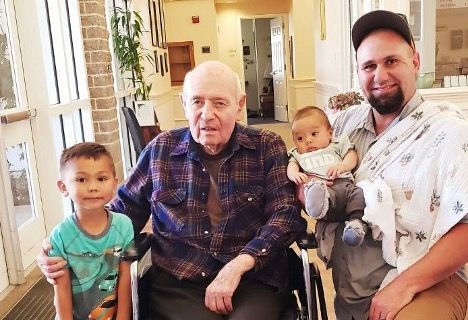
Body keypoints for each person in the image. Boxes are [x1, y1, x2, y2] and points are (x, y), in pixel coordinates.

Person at [38, 61, 306, 320]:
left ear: (240, 105)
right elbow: (121, 213)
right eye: (197, 101)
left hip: (251, 278)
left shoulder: (265, 146)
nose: (207, 113)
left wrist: (240, 264)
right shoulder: (161, 149)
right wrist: (62, 247)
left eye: (220, 103)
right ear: (184, 104)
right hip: (180, 280)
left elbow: (285, 216)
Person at [316, 10, 468, 320]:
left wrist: (404, 286)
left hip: (430, 275)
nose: (380, 76)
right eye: (369, 66)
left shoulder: (451, 130)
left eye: (391, 61)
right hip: (356, 279)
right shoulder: (345, 124)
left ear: (415, 61)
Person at [49, 142, 133, 320]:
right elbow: (61, 288)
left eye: (101, 179)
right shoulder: (61, 235)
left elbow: (126, 276)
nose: (93, 187)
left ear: (114, 184)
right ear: (63, 187)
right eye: (81, 179)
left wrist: (123, 317)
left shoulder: (125, 226)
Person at [287, 106, 367, 247]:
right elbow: (291, 166)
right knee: (317, 192)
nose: (308, 141)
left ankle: (356, 225)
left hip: (344, 184)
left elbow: (351, 156)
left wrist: (342, 166)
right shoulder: (298, 154)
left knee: (359, 194)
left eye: (314, 134)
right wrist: (294, 174)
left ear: (330, 133)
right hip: (324, 191)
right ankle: (318, 205)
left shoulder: (336, 145)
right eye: (300, 138)